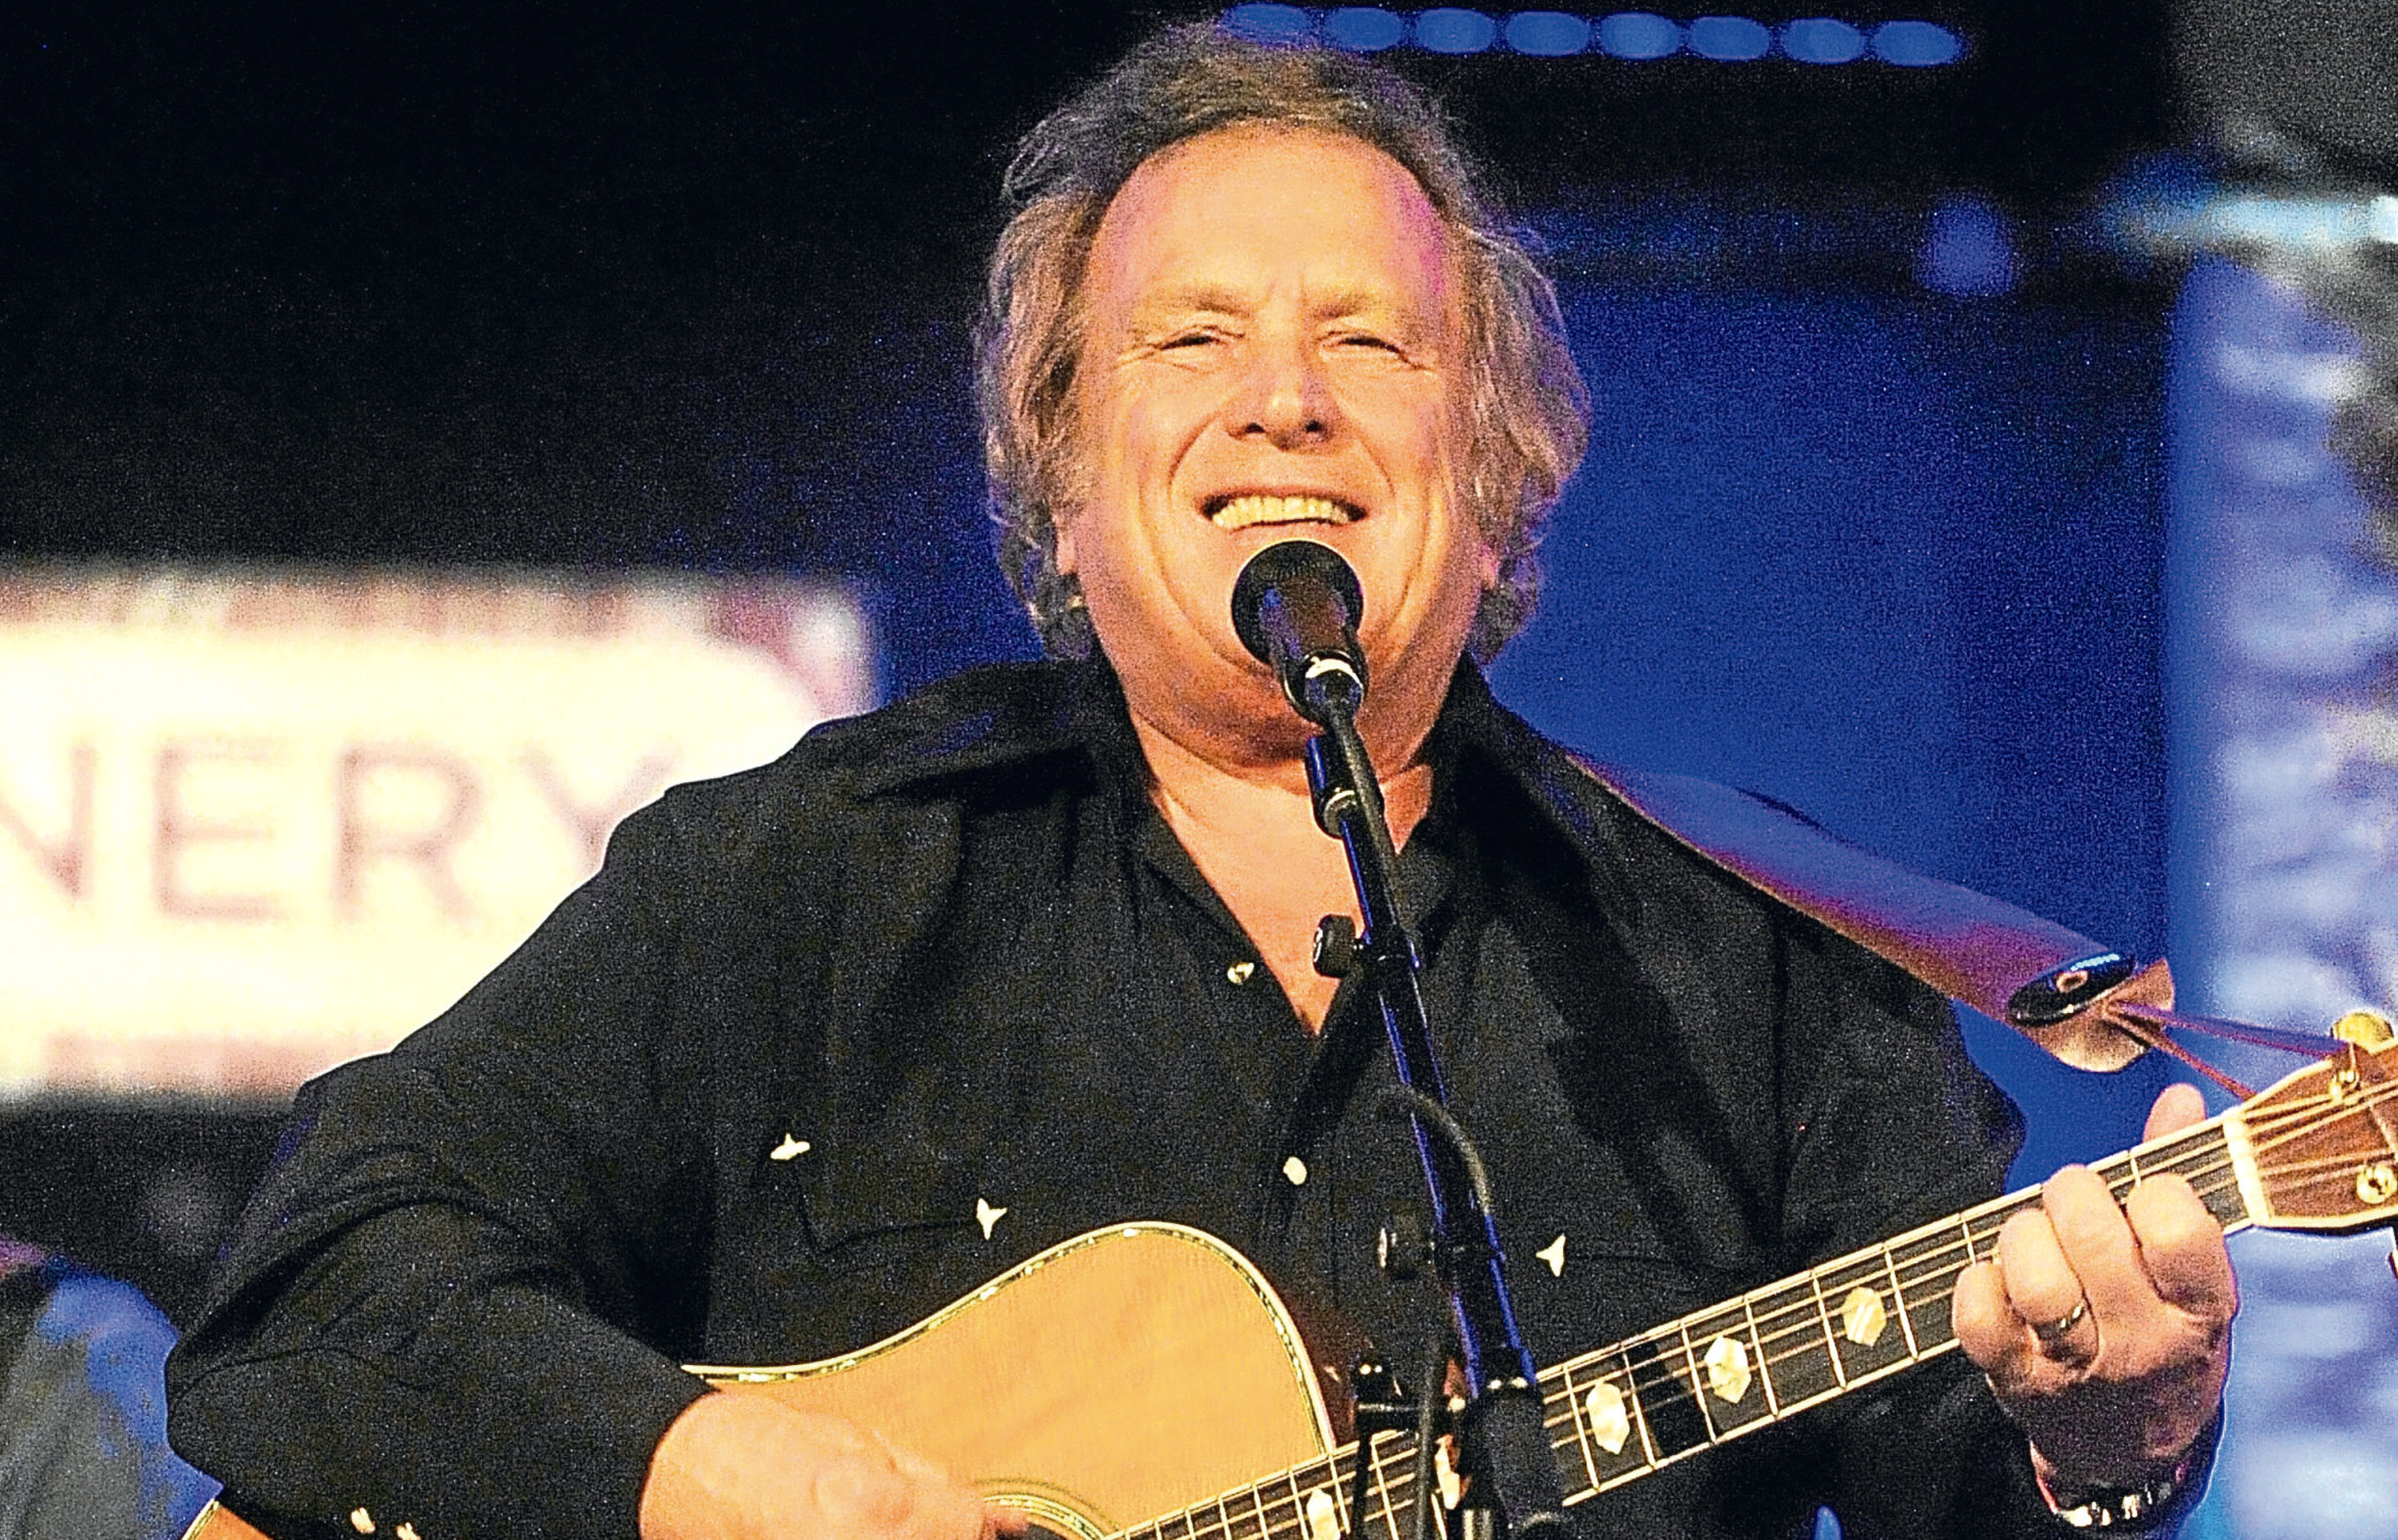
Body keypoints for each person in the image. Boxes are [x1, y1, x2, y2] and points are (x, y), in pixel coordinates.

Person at [165, 26, 2237, 1540]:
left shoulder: (1758, 958)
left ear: (1493, 475)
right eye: (1190, 344)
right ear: (1059, 482)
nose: (1283, 402)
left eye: (1370, 343)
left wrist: (2107, 1437)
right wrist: (708, 1468)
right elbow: (314, 1287)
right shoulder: (799, 877)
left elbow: (1973, 1487)